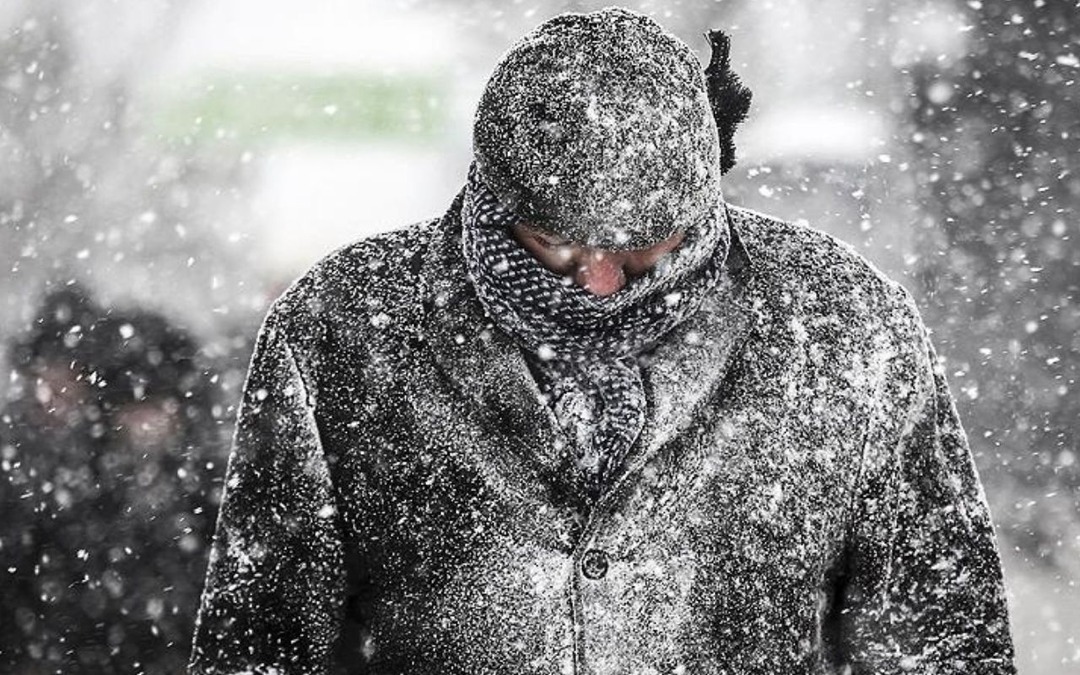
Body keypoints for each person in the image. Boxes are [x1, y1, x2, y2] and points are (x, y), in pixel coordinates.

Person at [190, 8, 1016, 674]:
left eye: (640, 249)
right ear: (492, 196)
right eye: (556, 244)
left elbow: (938, 635)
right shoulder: (343, 329)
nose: (599, 282)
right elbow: (259, 643)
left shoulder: (843, 328)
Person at [0, 285, 224, 674]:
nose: (145, 422)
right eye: (131, 405)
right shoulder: (72, 489)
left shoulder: (211, 491)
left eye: (157, 403)